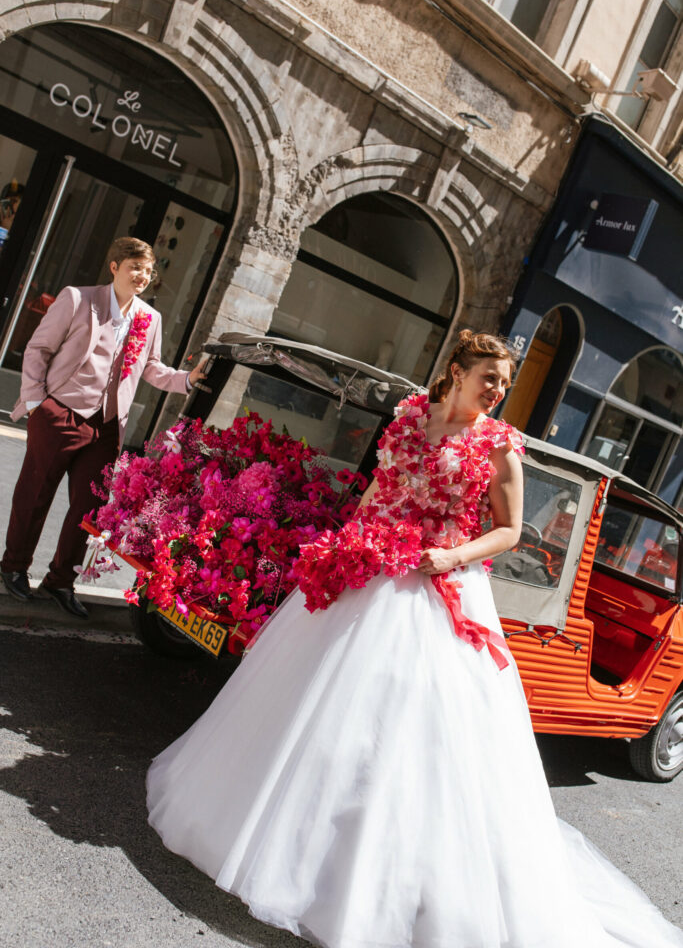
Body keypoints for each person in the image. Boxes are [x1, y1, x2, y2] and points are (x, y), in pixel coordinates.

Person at [146, 330, 683, 948]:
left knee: (400, 722)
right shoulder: (410, 417)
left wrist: (452, 555)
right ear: (456, 371)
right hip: (367, 566)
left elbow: (510, 531)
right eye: (489, 377)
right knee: (312, 705)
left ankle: (370, 878)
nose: (498, 389)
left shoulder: (499, 445)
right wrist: (347, 543)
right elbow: (381, 489)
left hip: (437, 580)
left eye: (505, 382)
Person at [1, 237, 206, 619]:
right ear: (115, 267)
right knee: (35, 493)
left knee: (89, 509)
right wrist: (36, 402)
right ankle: (13, 567)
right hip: (61, 412)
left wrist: (187, 379)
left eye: (148, 270)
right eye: (135, 267)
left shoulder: (150, 318)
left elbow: (151, 368)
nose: (142, 276)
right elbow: (38, 349)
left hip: (108, 425)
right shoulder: (78, 299)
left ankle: (60, 581)